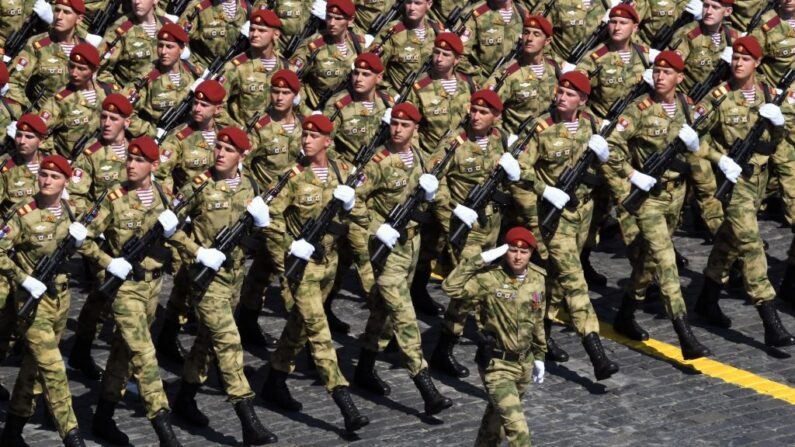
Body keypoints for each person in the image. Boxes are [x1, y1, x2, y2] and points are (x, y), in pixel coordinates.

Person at [259, 114, 370, 433]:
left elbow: (361, 218)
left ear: (328, 141)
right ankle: (343, 400)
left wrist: (351, 207)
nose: (306, 140)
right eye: (304, 134)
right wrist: (291, 245)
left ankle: (275, 379)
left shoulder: (343, 172)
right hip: (302, 267)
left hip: (329, 264)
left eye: (313, 136)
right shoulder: (291, 177)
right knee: (319, 333)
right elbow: (268, 219)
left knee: (300, 327)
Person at [168, 126, 278, 445]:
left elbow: (258, 239)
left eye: (228, 150)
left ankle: (185, 399)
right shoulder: (199, 185)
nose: (219, 153)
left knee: (206, 342)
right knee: (229, 343)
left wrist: (261, 224)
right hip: (205, 279)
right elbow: (167, 226)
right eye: (218, 147)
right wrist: (198, 252)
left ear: (242, 156)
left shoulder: (251, 187)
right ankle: (248, 419)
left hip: (234, 277)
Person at [606, 50, 711, 359]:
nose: (660, 76)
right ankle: (684, 332)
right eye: (657, 72)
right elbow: (611, 145)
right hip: (648, 198)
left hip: (676, 195)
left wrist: (697, 145)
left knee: (649, 262)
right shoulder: (638, 110)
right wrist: (632, 174)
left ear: (680, 78)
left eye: (668, 72)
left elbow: (705, 140)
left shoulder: (687, 107)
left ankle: (625, 313)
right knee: (666, 263)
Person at [516, 70, 619, 380]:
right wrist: (545, 190)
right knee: (575, 282)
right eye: (560, 91)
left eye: (570, 94)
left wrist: (607, 154)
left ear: (583, 101)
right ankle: (597, 355)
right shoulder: (541, 129)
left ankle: (539, 337)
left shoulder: (592, 127)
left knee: (555, 282)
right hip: (554, 217)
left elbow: (614, 161)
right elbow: (520, 168)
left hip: (583, 213)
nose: (562, 97)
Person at [693, 36, 795, 349]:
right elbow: (692, 138)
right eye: (735, 58)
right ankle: (769, 317)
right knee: (751, 244)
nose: (738, 63)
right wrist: (719, 160)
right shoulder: (718, 97)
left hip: (760, 181)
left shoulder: (770, 94)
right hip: (732, 182)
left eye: (745, 59)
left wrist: (782, 121)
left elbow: (787, 133)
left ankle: (707, 299)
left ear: (757, 63)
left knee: (728, 241)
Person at [81, 137, 183, 446]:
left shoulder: (165, 197)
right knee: (144, 353)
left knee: (123, 354)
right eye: (129, 158)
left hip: (153, 285)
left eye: (139, 160)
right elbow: (83, 238)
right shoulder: (114, 198)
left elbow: (177, 239)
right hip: (124, 288)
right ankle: (163, 427)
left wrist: (181, 245)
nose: (131, 164)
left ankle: (103, 417)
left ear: (153, 166)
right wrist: (107, 262)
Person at [353, 102, 453, 415]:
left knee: (383, 311)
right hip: (386, 247)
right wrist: (376, 229)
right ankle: (426, 386)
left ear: (416, 129)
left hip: (412, 244)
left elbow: (437, 198)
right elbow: (353, 202)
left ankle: (364, 367)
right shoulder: (378, 161)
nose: (397, 129)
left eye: (404, 125)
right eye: (394, 123)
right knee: (404, 316)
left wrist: (436, 197)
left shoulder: (422, 158)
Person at [428, 89, 519, 379]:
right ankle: (485, 341)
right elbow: (433, 182)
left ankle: (445, 348)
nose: (476, 117)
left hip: (492, 227)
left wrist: (516, 171)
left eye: (483, 112)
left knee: (471, 291)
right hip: (464, 228)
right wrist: (452, 212)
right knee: (472, 286)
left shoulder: (501, 140)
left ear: (496, 116)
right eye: (474, 111)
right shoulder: (455, 144)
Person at [0, 154, 89, 446]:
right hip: (31, 303)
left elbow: (87, 245)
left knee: (34, 369)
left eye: (54, 177)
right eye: (44, 176)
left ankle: (12, 430)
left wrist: (84, 244)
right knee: (53, 367)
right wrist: (23, 279)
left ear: (65, 182)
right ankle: (72, 436)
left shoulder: (70, 210)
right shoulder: (23, 214)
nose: (47, 181)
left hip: (60, 299)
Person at [442, 226, 546, 447]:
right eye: (512, 250)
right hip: (497, 365)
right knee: (519, 432)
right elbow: (450, 287)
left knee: (496, 423)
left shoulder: (538, 279)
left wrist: (540, 356)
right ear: (504, 251)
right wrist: (481, 259)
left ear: (531, 254)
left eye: (524, 251)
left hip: (524, 364)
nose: (518, 256)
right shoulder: (489, 279)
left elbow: (537, 320)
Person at [37, 43, 119, 158]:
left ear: (94, 70)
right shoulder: (61, 100)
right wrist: (58, 161)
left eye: (81, 69)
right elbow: (38, 134)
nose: (74, 73)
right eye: (71, 66)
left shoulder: (107, 92)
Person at [6, 0, 87, 109]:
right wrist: (32, 117)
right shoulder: (38, 45)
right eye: (57, 10)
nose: (59, 16)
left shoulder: (86, 50)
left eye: (66, 12)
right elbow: (13, 83)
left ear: (79, 19)